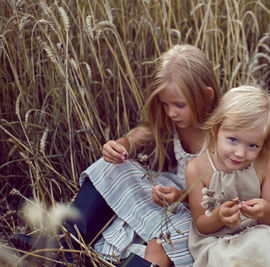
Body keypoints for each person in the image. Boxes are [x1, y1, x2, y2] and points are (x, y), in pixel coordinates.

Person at [9, 44, 221, 267]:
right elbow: (140, 135)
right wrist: (121, 146)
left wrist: (182, 196)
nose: (170, 112)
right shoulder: (173, 119)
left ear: (206, 96)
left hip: (201, 214)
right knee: (112, 166)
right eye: (165, 104)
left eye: (179, 105)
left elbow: (223, 194)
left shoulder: (222, 135)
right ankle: (67, 247)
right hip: (170, 195)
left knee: (164, 242)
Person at [186, 85, 270, 266]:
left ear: (263, 143)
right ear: (215, 130)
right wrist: (219, 216)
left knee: (265, 245)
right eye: (233, 140)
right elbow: (201, 225)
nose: (240, 153)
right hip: (218, 241)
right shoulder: (196, 169)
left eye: (253, 146)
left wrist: (264, 210)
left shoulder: (266, 163)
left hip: (258, 233)